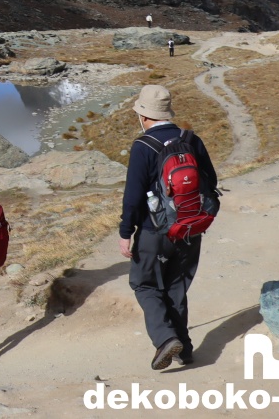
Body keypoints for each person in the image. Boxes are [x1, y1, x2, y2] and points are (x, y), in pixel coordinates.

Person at [119, 85, 217, 370]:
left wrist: (126, 233)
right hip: (190, 227)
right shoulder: (191, 139)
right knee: (176, 285)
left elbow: (133, 197)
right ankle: (184, 349)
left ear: (144, 116)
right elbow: (210, 180)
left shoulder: (143, 146)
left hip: (154, 230)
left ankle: (164, 339)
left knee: (144, 284)